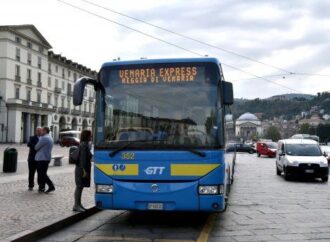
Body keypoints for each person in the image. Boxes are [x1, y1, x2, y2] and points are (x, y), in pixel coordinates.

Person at [73, 130, 92, 212]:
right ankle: (76, 205)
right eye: (90, 136)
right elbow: (83, 160)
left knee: (80, 187)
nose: (91, 137)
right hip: (82, 169)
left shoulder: (84, 145)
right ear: (87, 136)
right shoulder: (84, 146)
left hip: (81, 169)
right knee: (79, 187)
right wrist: (84, 171)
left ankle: (79, 204)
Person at [35, 127, 55, 193]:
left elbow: (36, 147)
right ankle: (42, 187)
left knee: (42, 174)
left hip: (42, 158)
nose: (41, 132)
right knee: (42, 174)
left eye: (42, 130)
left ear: (45, 131)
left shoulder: (44, 138)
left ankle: (51, 186)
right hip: (46, 158)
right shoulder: (50, 137)